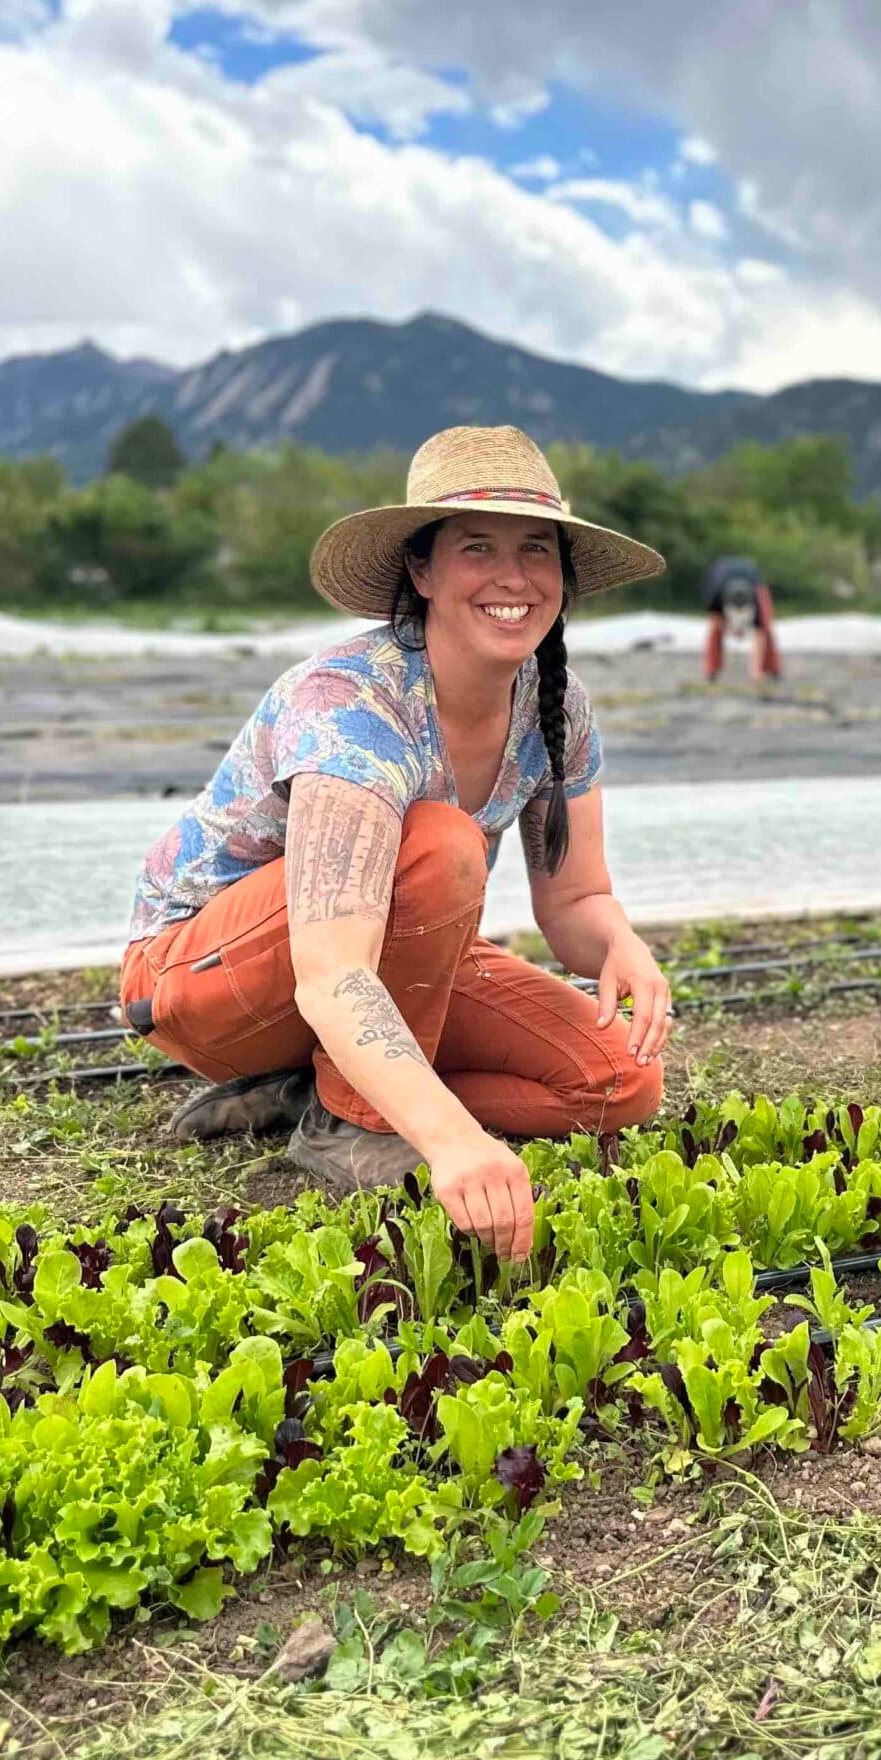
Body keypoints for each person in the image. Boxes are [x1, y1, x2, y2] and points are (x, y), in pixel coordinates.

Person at [118, 426, 674, 1260]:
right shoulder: (350, 704)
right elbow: (333, 969)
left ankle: (318, 1087)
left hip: (379, 955)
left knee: (620, 1081)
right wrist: (451, 1142)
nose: (513, 576)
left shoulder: (558, 706)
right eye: (477, 547)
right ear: (422, 570)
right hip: (202, 977)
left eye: (536, 548)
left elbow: (575, 902)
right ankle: (354, 1122)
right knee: (440, 841)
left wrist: (620, 944)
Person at [700, 551, 781, 682]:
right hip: (720, 578)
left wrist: (756, 672)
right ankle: (711, 669)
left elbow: (760, 633)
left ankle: (770, 668)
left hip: (754, 582)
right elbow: (716, 619)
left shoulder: (758, 596)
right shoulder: (714, 594)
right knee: (714, 628)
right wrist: (731, 629)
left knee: (766, 627)